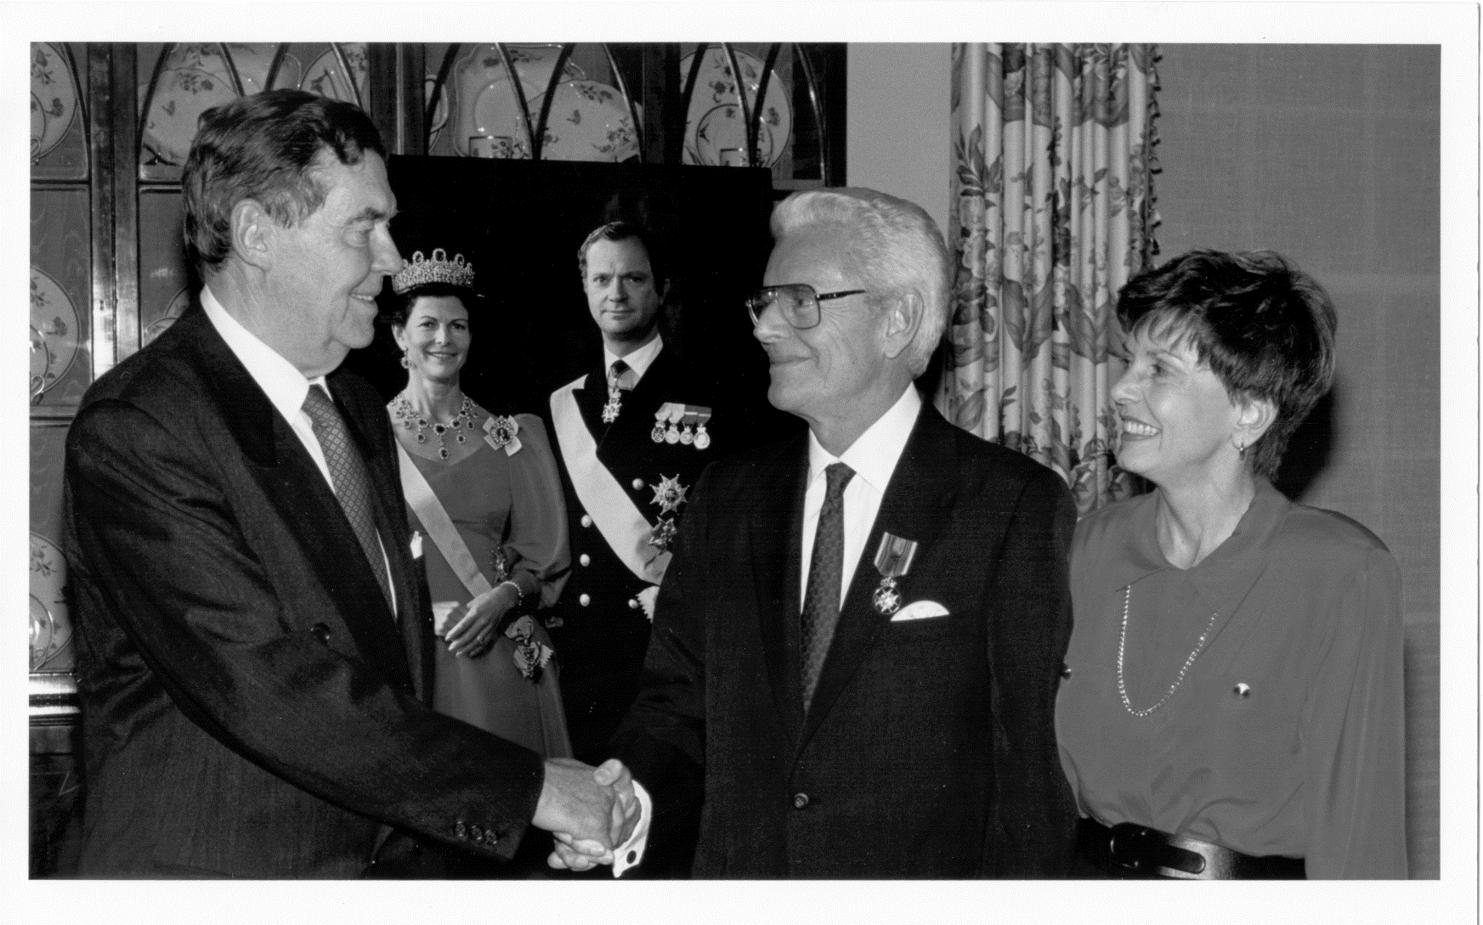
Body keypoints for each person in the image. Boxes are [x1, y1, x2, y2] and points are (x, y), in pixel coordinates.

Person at [62, 88, 635, 878]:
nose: (394, 256)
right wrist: (532, 788)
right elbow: (268, 684)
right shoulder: (143, 425)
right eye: (364, 226)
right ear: (257, 233)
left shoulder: (357, 408)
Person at [562, 187, 1079, 877]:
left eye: (798, 300)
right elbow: (675, 705)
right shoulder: (729, 498)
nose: (765, 327)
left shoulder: (1006, 506)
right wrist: (629, 803)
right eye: (763, 302)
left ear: (897, 319)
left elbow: (1025, 769)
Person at [1056, 249, 1407, 879]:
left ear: (1248, 412)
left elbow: (1361, 840)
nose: (1119, 390)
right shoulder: (1086, 548)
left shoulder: (1339, 574)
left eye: (1158, 370)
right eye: (1128, 361)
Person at [386, 248, 571, 757]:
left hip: (496, 652)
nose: (444, 339)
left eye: (459, 326)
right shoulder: (370, 438)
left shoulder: (512, 437)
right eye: (428, 324)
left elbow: (544, 560)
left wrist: (502, 599)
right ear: (400, 335)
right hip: (416, 656)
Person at [546, 221, 717, 769]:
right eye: (602, 279)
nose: (615, 294)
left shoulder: (710, 393)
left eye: (633, 278)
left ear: (660, 288)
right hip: (581, 646)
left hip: (665, 642)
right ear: (585, 289)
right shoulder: (559, 401)